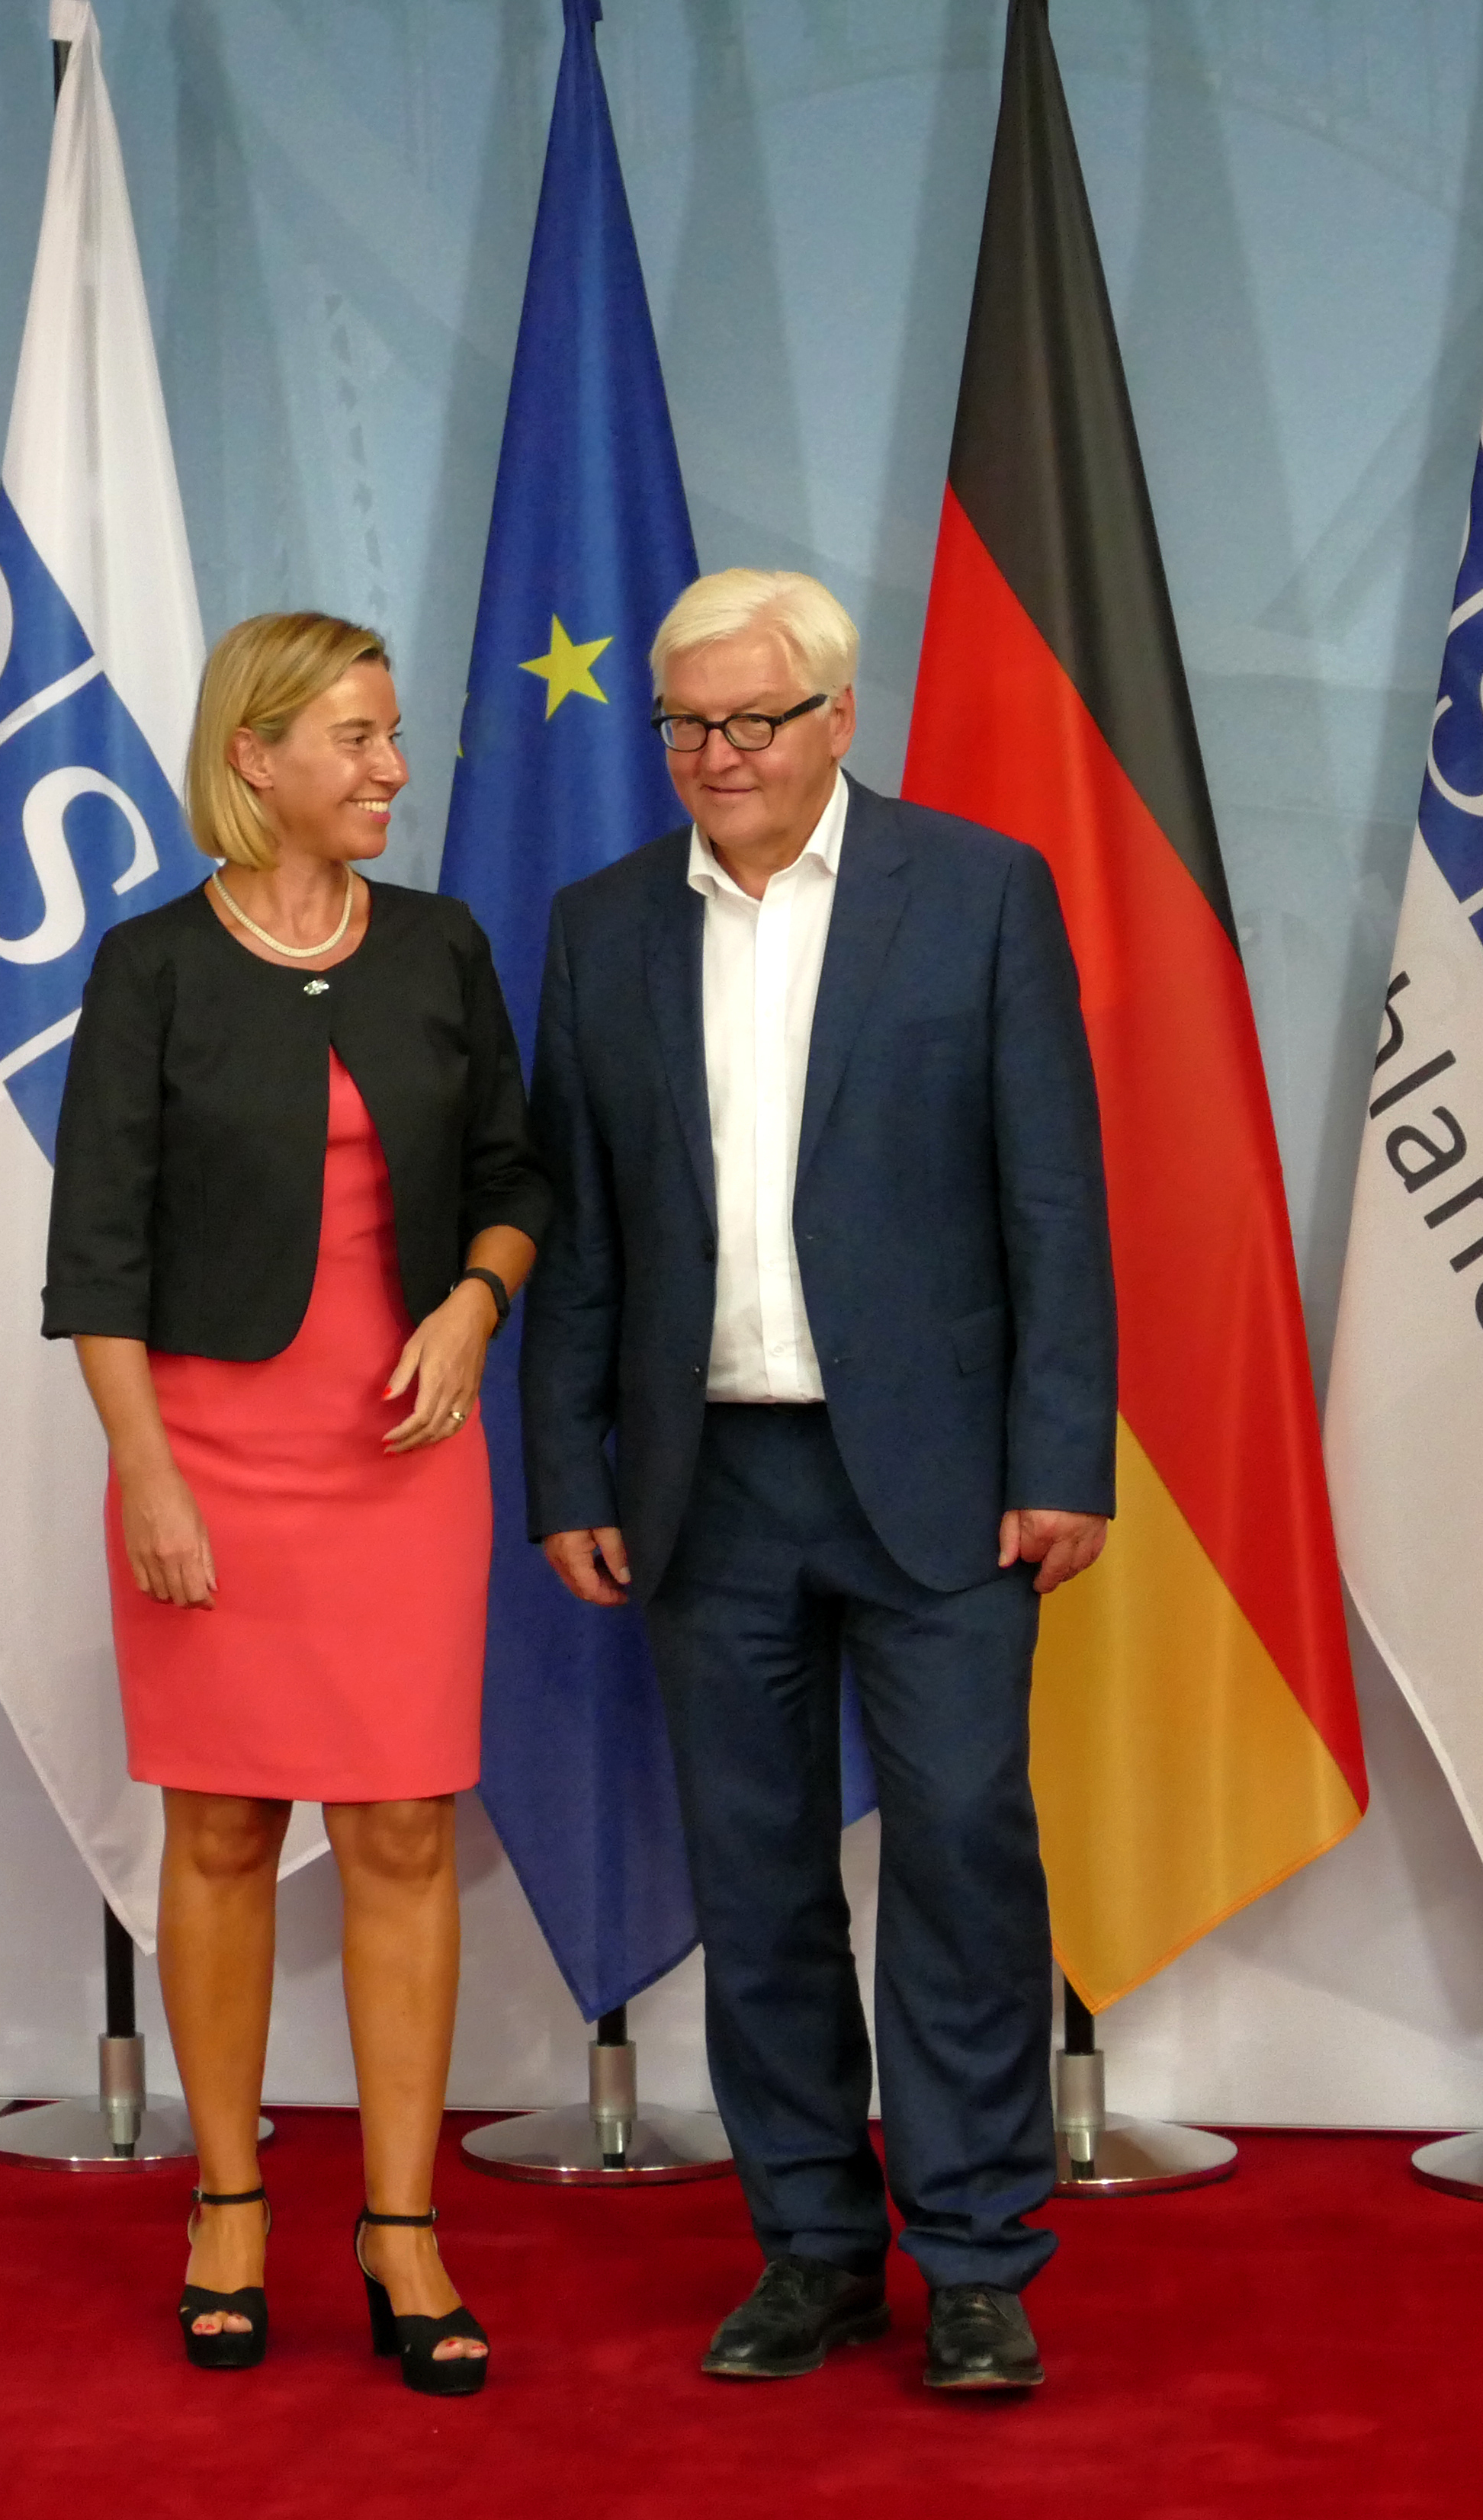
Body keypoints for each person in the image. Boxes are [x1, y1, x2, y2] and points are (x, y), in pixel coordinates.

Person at [522, 569, 1112, 2393]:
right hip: (708, 1490)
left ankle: (978, 2260)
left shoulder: (981, 895)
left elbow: (1054, 1203)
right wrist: (567, 1469)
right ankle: (812, 2252)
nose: (715, 755)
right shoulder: (602, 923)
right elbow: (580, 1226)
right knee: (759, 1881)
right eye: (686, 724)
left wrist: (1059, 1451)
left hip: (941, 1489)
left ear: (840, 722)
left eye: (752, 721)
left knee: (960, 1859)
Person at [43, 611, 547, 2394]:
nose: (392, 767)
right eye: (355, 737)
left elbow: (514, 1176)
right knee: (227, 1832)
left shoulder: (441, 947)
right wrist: (150, 1479)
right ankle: (233, 2201)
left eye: (393, 734)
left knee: (406, 1830)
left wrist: (477, 1309)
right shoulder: (152, 967)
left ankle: (403, 2231)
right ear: (253, 759)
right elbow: (93, 1263)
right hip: (210, 1465)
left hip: (405, 1462)